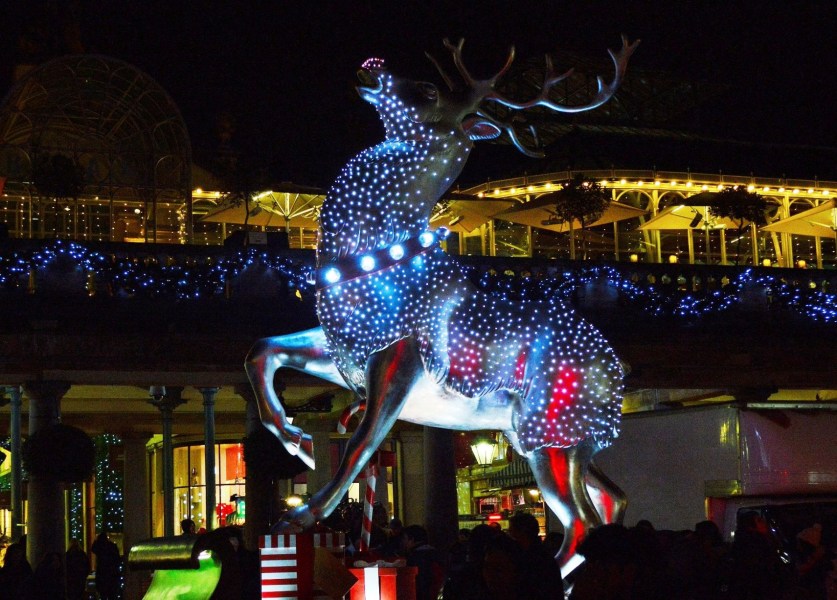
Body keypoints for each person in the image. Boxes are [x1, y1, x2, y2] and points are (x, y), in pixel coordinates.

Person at [507, 511, 563, 599]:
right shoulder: (543, 556)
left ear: (522, 532)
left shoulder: (531, 559)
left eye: (511, 529)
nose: (509, 533)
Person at [402, 524, 446, 600]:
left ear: (412, 539)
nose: (404, 543)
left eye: (405, 539)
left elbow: (418, 585)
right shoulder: (436, 553)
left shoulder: (415, 557)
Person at [92, 531, 122, 600]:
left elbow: (93, 548)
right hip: (112, 574)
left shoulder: (99, 547)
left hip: (102, 574)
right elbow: (117, 559)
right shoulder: (112, 546)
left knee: (103, 595)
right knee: (112, 595)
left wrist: (96, 540)